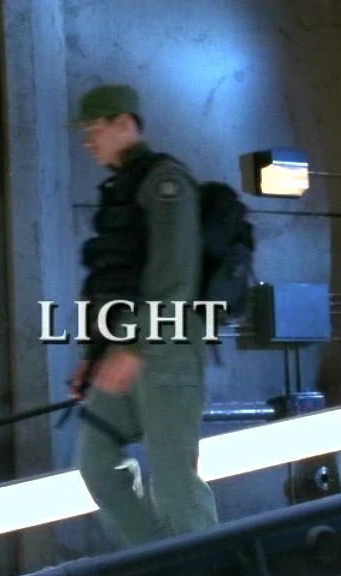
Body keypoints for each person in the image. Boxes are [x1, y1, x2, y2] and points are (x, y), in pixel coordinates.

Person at [66, 83, 218, 549]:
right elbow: (111, 281)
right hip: (121, 348)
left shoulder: (165, 181)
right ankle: (160, 561)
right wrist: (92, 355)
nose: (88, 141)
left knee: (173, 483)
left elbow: (174, 276)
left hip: (163, 347)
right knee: (96, 465)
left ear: (125, 123)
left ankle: (206, 564)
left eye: (95, 129)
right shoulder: (121, 189)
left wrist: (134, 347)